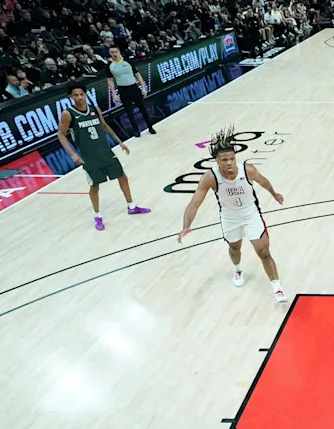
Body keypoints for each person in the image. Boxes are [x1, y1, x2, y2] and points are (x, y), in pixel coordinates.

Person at [176, 126, 288, 304]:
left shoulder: (247, 170)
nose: (229, 163)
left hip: (252, 215)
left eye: (232, 159)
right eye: (224, 160)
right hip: (229, 218)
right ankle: (238, 269)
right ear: (217, 161)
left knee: (264, 252)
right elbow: (194, 203)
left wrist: (274, 193)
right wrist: (186, 225)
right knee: (235, 248)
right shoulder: (210, 177)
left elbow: (263, 181)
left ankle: (277, 288)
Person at [56, 82, 151, 231]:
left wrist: (119, 142)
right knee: (95, 185)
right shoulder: (68, 114)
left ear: (86, 94)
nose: (80, 97)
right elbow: (61, 134)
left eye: (82, 94)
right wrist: (73, 155)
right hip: (88, 156)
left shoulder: (94, 109)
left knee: (122, 176)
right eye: (76, 95)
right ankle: (97, 216)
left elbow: (105, 126)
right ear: (70, 96)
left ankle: (131, 206)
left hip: (105, 151)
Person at [106, 45, 156, 137]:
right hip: (123, 90)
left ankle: (150, 127)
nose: (114, 54)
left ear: (119, 52)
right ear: (110, 53)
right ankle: (136, 131)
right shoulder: (109, 65)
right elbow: (110, 80)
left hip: (134, 88)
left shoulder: (128, 62)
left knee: (143, 109)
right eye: (112, 52)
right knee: (129, 112)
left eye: (115, 51)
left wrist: (143, 88)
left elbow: (137, 74)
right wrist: (114, 94)